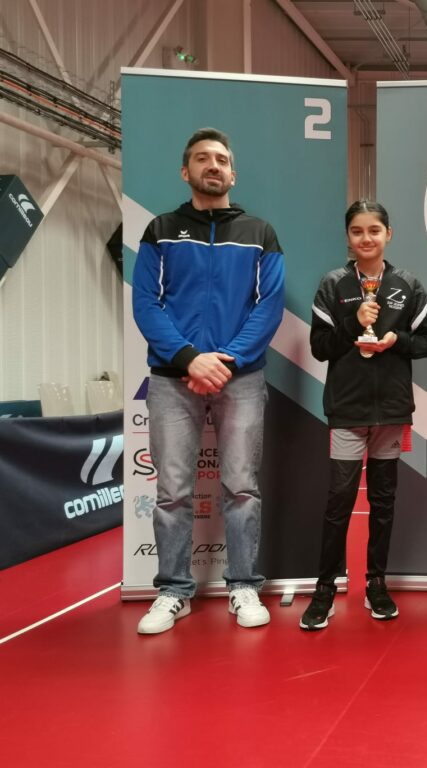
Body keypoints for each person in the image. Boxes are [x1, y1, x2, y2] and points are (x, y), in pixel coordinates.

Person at [132, 127, 285, 634]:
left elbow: (269, 307)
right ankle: (173, 591)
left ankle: (243, 585)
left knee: (241, 486)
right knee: (173, 491)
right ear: (186, 171)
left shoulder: (260, 232)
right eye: (202, 158)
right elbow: (145, 303)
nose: (212, 165)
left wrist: (226, 361)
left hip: (241, 378)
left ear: (232, 174)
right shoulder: (160, 229)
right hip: (173, 378)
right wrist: (189, 360)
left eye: (221, 159)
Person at [300, 200, 427, 630]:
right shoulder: (334, 284)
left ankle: (376, 583)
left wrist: (396, 339)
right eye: (357, 231)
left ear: (388, 234)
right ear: (348, 237)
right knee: (339, 501)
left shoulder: (408, 284)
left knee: (383, 502)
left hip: (392, 410)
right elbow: (319, 347)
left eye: (374, 230)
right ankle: (325, 587)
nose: (366, 238)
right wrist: (351, 323)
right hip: (347, 409)